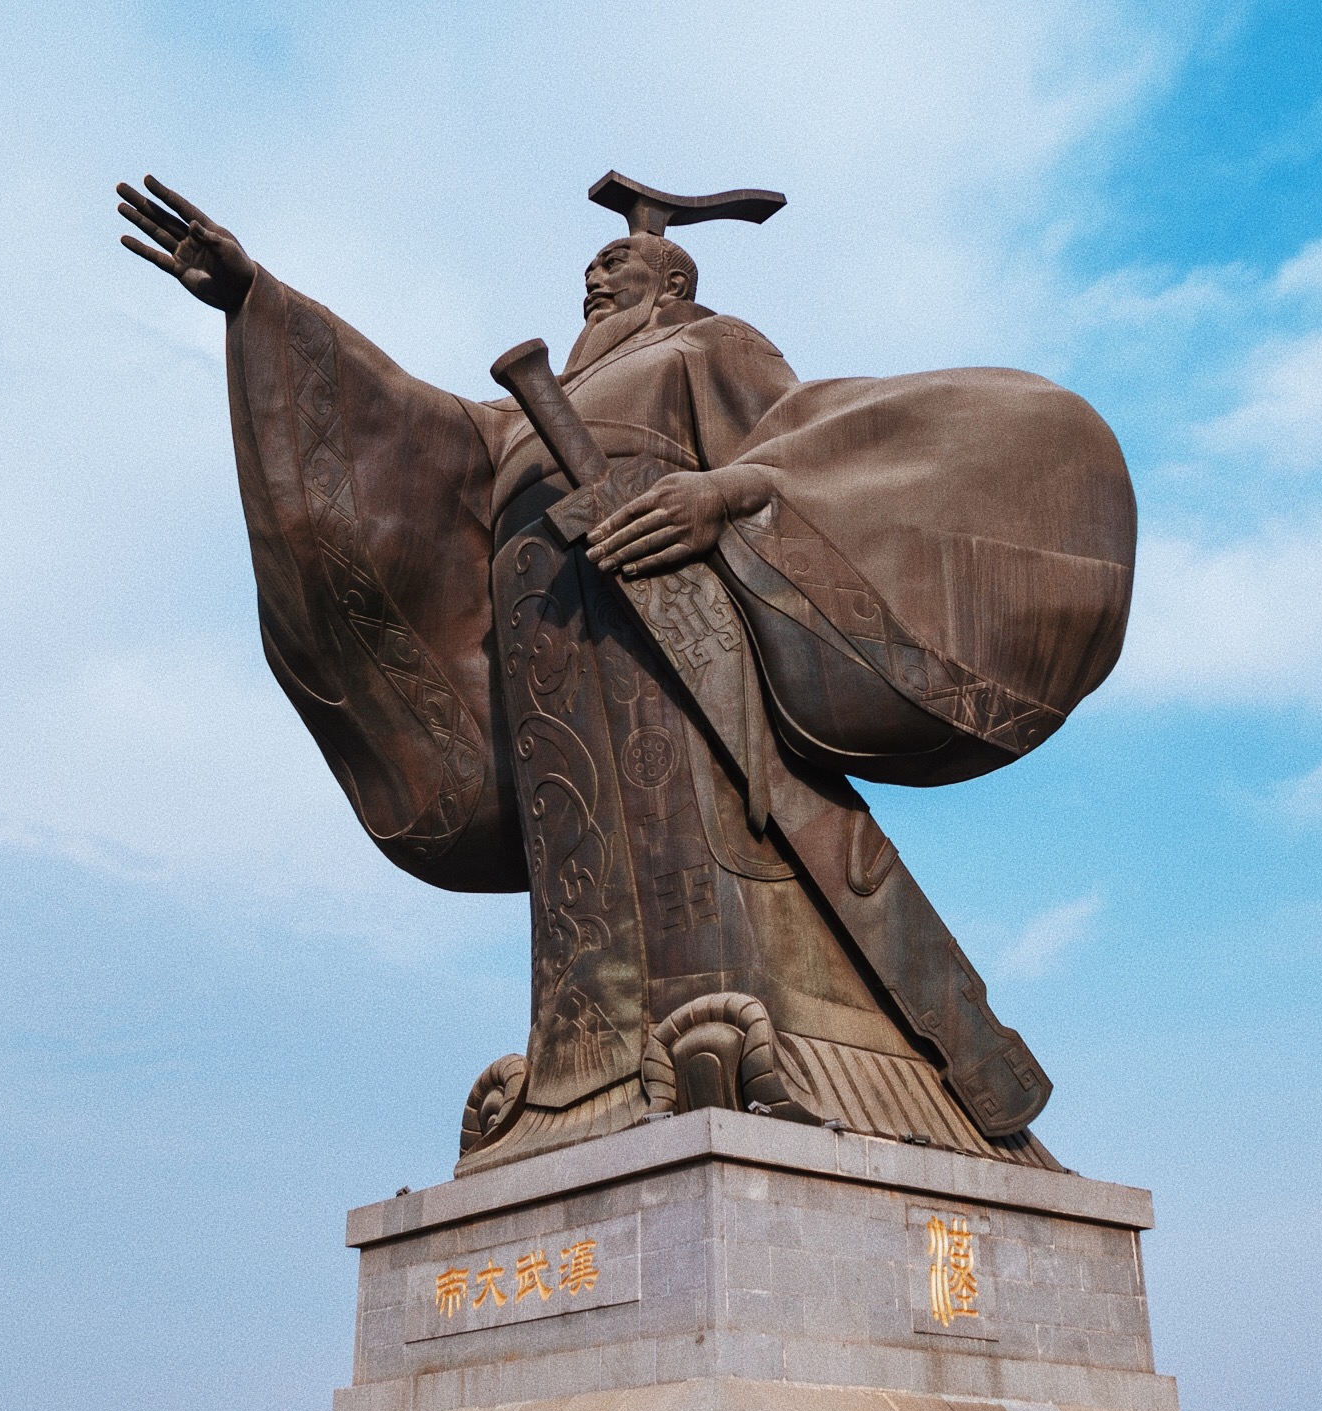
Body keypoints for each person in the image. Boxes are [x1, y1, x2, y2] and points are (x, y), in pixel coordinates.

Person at [117, 174, 1134, 1173]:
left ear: (672, 285)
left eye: (618, 265)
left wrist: (722, 494)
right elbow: (413, 433)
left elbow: (801, 440)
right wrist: (259, 301)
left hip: (672, 646)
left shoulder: (709, 346)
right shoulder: (523, 416)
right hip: (554, 665)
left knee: (705, 840)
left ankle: (778, 1045)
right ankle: (588, 1073)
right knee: (588, 883)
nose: (596, 282)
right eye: (591, 270)